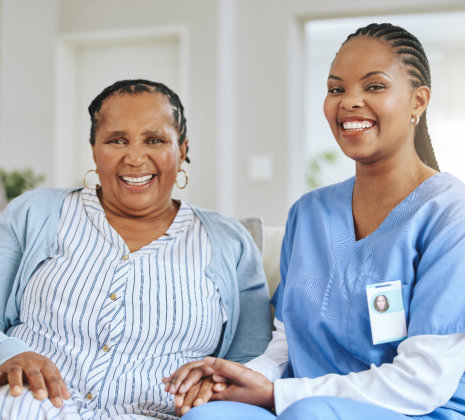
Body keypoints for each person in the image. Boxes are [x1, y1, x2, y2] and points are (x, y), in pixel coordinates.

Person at [163, 23, 465, 419]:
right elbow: (288, 344)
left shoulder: (450, 214)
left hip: (411, 409)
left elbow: (422, 382)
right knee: (207, 415)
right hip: (298, 401)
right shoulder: (309, 213)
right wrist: (240, 378)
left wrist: (283, 395)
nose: (349, 102)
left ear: (418, 101)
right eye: (336, 89)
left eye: (374, 87)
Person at [0, 79, 271, 419]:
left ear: (182, 150)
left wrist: (214, 385)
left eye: (154, 140)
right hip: (25, 406)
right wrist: (8, 352)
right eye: (117, 140)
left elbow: (251, 358)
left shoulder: (230, 242)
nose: (135, 157)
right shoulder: (34, 214)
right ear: (94, 150)